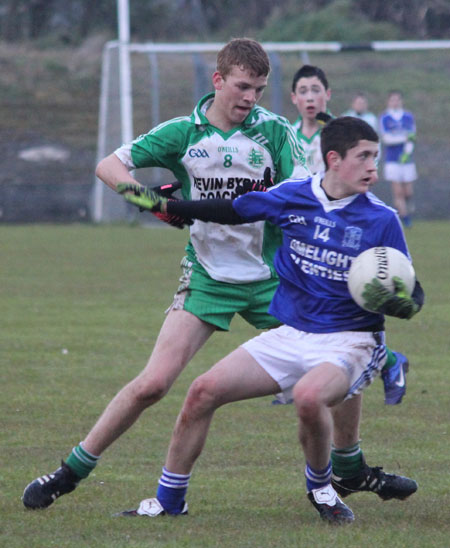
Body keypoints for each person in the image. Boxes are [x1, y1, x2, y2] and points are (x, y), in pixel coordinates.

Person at [22, 37, 310, 510]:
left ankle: (348, 469)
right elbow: (108, 166)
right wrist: (152, 203)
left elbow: (297, 192)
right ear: (218, 81)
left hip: (270, 281)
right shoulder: (183, 132)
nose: (250, 98)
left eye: (259, 89)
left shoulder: (275, 133)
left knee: (331, 364)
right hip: (207, 279)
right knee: (152, 384)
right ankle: (69, 473)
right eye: (242, 86)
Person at [117, 116, 424, 525]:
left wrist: (404, 303)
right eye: (364, 157)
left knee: (310, 397)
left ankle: (321, 487)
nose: (374, 168)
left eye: (376, 157)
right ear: (334, 160)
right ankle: (169, 500)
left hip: (351, 340)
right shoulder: (295, 196)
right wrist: (167, 206)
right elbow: (232, 209)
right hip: (293, 334)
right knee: (202, 391)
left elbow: (411, 289)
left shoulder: (382, 219)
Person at [290, 65, 409, 406]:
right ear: (294, 97)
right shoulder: (287, 134)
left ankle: (380, 361)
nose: (310, 98)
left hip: (343, 230)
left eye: (317, 90)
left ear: (327, 94)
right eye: (304, 91)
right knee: (293, 311)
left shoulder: (343, 133)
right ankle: (307, 378)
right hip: (302, 229)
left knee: (339, 321)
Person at [379, 90, 417, 228]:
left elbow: (412, 136)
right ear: (389, 102)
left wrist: (407, 152)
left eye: (397, 99)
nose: (395, 102)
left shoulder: (408, 117)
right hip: (392, 160)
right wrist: (402, 138)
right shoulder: (385, 117)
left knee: (408, 192)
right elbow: (386, 138)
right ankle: (405, 218)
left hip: (407, 161)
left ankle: (405, 209)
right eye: (392, 100)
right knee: (398, 192)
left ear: (401, 101)